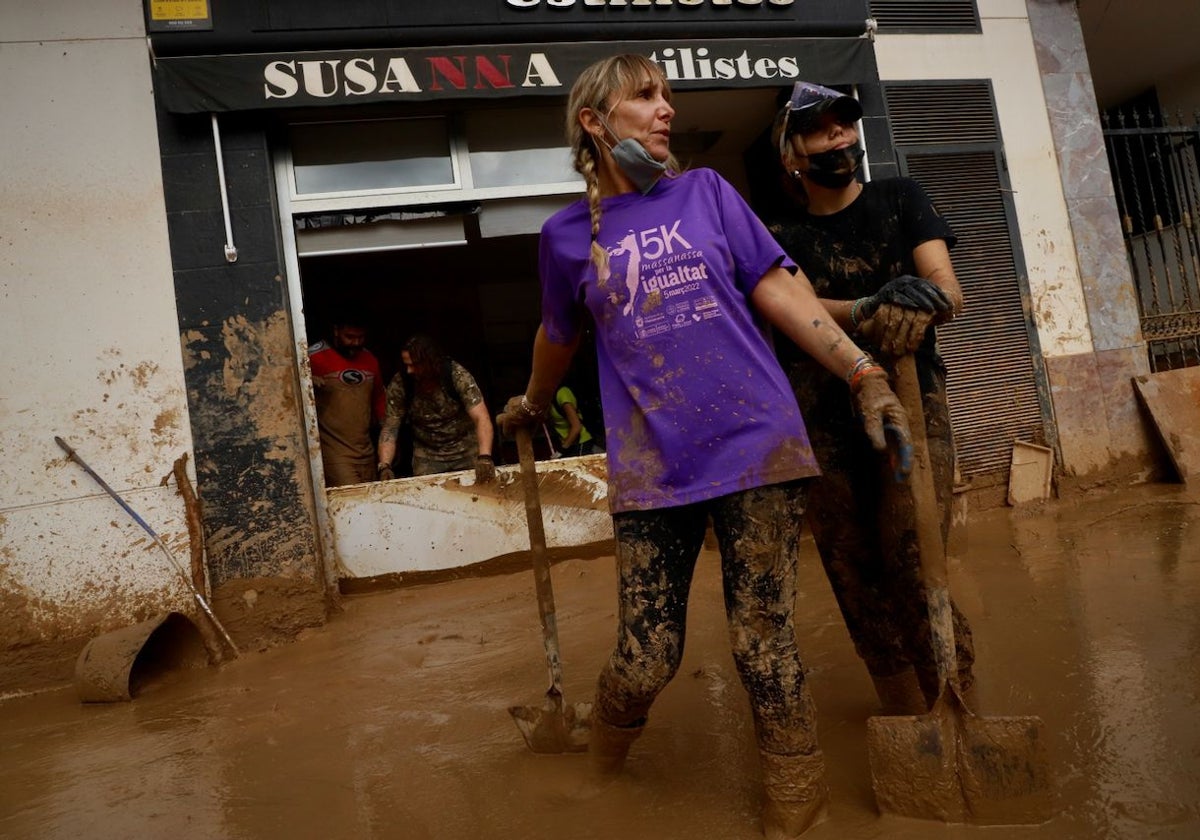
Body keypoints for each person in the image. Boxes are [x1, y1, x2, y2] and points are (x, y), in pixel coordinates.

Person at [496, 55, 912, 839]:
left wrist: (863, 374)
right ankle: (599, 778)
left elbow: (781, 291)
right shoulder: (561, 238)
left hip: (757, 443)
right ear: (595, 121)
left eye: (667, 96)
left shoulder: (708, 195)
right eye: (646, 97)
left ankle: (799, 807)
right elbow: (558, 334)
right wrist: (534, 402)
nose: (666, 111)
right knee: (646, 654)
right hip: (653, 466)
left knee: (763, 642)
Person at [765, 81, 976, 715]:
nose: (840, 138)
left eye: (845, 125)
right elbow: (791, 306)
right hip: (822, 425)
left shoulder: (900, 198)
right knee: (856, 577)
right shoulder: (782, 235)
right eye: (821, 130)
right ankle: (909, 721)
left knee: (915, 561)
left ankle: (961, 702)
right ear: (792, 154)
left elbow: (949, 289)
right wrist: (867, 308)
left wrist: (920, 301)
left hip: (914, 406)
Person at [377, 333, 496, 484]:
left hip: (466, 451)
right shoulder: (401, 384)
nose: (409, 371)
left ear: (429, 361)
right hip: (428, 456)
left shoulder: (456, 375)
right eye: (407, 365)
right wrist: (385, 465)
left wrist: (485, 457)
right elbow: (390, 428)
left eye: (415, 365)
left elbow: (481, 418)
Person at [307, 308, 387, 487]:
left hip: (367, 452)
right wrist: (307, 382)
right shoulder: (312, 358)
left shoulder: (370, 359)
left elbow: (379, 400)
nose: (355, 342)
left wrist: (388, 442)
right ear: (336, 331)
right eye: (349, 337)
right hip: (334, 454)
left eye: (360, 337)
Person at [546, 383, 604, 457]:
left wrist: (561, 451)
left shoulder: (562, 393)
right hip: (567, 445)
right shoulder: (546, 398)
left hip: (580, 441)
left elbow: (576, 426)